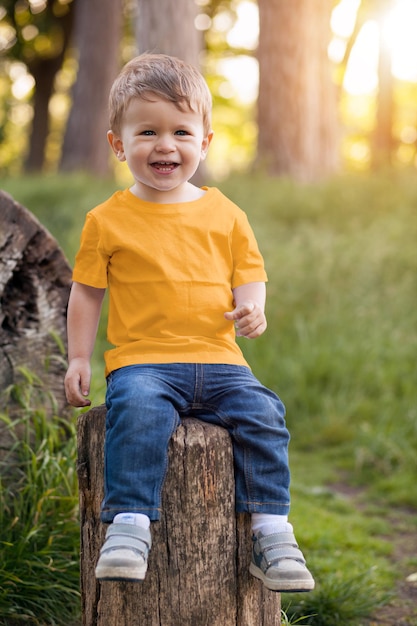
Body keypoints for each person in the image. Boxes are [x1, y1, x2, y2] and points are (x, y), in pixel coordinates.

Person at [64, 53, 314, 593]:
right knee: (137, 414)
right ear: (117, 144)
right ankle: (129, 524)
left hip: (221, 360)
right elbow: (86, 293)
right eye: (147, 131)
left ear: (204, 143)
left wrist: (253, 306)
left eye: (181, 132)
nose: (165, 145)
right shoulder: (106, 220)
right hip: (145, 362)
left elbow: (250, 273)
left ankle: (272, 533)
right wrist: (79, 358)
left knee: (265, 414)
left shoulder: (226, 213)